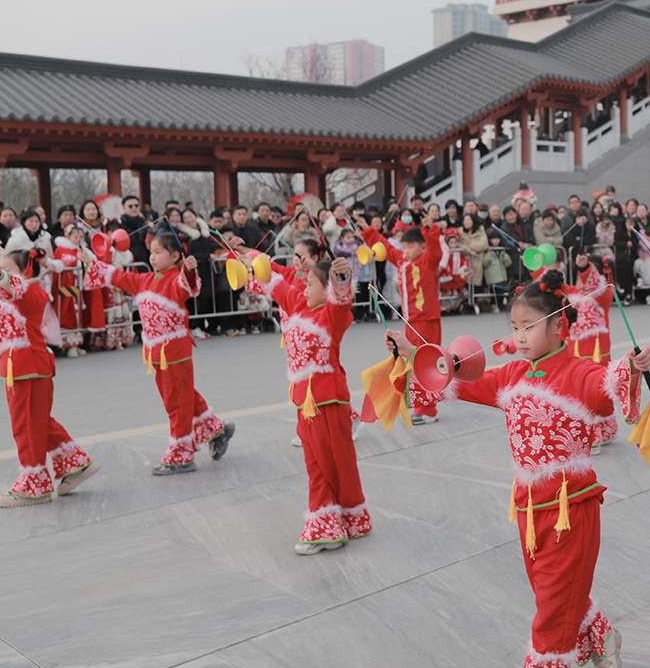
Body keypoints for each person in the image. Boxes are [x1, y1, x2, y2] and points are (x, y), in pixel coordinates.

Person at [394, 271, 650, 668]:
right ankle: (603, 637)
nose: (521, 336)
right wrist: (415, 354)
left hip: (572, 509)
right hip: (529, 509)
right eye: (514, 327)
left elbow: (609, 382)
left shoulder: (580, 372)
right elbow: (458, 381)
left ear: (559, 325)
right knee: (553, 593)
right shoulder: (511, 374)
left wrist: (634, 364)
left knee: (552, 601)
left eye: (529, 326)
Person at [0, 248, 99, 505]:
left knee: (25, 426)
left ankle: (34, 484)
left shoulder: (33, 293)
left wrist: (0, 275)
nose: (1, 272)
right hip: (21, 366)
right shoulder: (4, 291)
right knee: (38, 422)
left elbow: (13, 288)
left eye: (8, 268)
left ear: (25, 271)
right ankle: (76, 464)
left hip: (28, 367)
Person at [248, 253, 371, 552]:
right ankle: (342, 519)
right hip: (304, 402)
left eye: (311, 283)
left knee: (327, 463)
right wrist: (246, 256)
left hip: (327, 399)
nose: (304, 286)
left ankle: (326, 526)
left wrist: (341, 278)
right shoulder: (298, 305)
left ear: (327, 289)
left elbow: (342, 300)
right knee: (318, 462)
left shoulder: (331, 315)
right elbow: (272, 280)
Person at [85, 231, 236, 473]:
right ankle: (217, 431)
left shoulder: (175, 280)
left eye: (158, 252)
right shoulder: (144, 279)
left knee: (177, 402)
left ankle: (181, 454)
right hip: (156, 352)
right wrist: (88, 259)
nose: (153, 257)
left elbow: (188, 285)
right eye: (151, 252)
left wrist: (189, 270)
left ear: (175, 256)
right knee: (183, 396)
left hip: (175, 351)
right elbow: (118, 276)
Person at [358, 221, 444, 423]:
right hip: (411, 321)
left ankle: (427, 410)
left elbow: (435, 250)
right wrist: (368, 231)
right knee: (413, 362)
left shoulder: (428, 261)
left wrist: (430, 231)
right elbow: (386, 248)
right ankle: (420, 404)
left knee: (426, 363)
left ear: (422, 247)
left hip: (427, 320)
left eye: (410, 247)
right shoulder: (402, 260)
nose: (405, 251)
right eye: (404, 247)